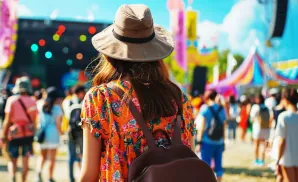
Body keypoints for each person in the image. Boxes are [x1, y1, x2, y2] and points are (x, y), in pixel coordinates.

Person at [79, 4, 195, 182]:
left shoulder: (101, 99)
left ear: (111, 53)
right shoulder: (180, 99)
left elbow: (89, 175)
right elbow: (188, 158)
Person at [1, 77, 38, 182]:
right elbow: (34, 121)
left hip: (14, 133)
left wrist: (3, 135)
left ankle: (13, 177)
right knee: (25, 160)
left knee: (13, 160)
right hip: (28, 134)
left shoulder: (11, 100)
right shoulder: (33, 101)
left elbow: (7, 120)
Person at [196, 90, 226, 182]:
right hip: (219, 141)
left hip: (207, 141)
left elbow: (201, 127)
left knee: (206, 167)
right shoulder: (222, 109)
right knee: (219, 167)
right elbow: (224, 126)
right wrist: (223, 141)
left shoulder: (205, 108)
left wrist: (199, 142)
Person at [36, 87, 63, 182]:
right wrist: (62, 133)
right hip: (53, 134)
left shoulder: (40, 104)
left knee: (42, 156)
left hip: (42, 133)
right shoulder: (57, 108)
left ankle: (38, 173)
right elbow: (58, 124)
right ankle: (50, 178)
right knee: (52, 158)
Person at [274, 89, 298, 182]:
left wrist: (277, 160)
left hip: (288, 157)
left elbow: (281, 141)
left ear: (285, 99)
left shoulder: (284, 117)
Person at [63, 85, 85, 182]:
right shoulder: (83, 102)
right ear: (80, 92)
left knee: (71, 155)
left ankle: (71, 178)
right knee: (82, 155)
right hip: (81, 131)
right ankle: (82, 175)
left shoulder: (67, 101)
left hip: (70, 131)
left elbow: (66, 116)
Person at [250, 94, 273, 166]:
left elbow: (252, 118)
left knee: (256, 145)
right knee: (263, 145)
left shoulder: (255, 107)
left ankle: (256, 160)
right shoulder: (267, 107)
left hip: (257, 128)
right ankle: (262, 160)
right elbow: (271, 117)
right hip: (266, 129)